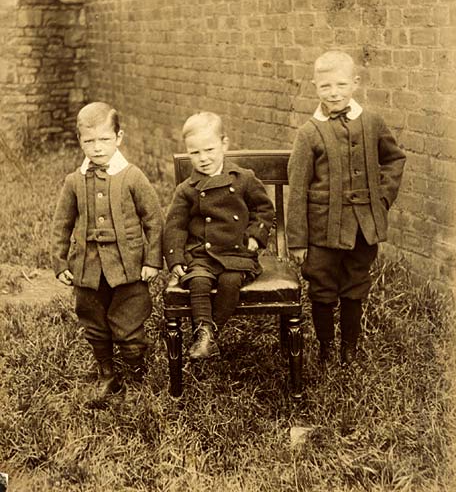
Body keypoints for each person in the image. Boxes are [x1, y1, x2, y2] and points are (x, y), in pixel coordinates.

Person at [287, 50, 406, 367]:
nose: (334, 93)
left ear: (355, 83)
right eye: (326, 86)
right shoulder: (309, 133)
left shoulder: (372, 123)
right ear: (315, 87)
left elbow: (394, 159)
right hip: (323, 230)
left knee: (355, 284)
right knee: (322, 287)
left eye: (341, 84)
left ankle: (349, 349)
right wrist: (297, 240)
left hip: (363, 228)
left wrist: (382, 199)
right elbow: (297, 188)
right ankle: (326, 349)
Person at [51, 102, 163, 400]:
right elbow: (61, 224)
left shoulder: (132, 176)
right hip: (87, 269)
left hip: (128, 269)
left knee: (128, 324)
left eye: (104, 140)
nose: (97, 148)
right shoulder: (74, 182)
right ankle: (107, 374)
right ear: (80, 140)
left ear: (119, 137)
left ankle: (137, 377)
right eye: (89, 141)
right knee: (94, 322)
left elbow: (153, 218)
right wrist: (60, 261)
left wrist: (152, 260)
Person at [164, 112, 275, 360]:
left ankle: (209, 334)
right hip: (201, 254)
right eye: (195, 153)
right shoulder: (187, 189)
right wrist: (176, 259)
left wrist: (255, 237)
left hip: (237, 252)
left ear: (225, 144)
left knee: (230, 281)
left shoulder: (244, 179)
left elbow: (264, 210)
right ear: (188, 152)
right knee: (199, 282)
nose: (203, 159)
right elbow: (175, 226)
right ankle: (204, 333)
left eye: (209, 150)